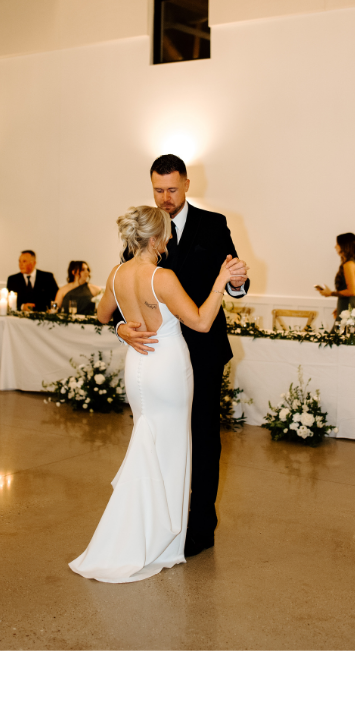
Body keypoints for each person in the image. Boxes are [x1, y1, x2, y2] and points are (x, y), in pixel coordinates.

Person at [70, 206, 243, 583]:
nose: (169, 239)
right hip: (166, 368)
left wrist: (122, 330)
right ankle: (163, 537)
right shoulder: (161, 277)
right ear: (154, 239)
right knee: (171, 448)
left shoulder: (117, 273)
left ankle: (142, 528)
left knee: (147, 441)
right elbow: (199, 321)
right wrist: (219, 284)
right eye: (165, 234)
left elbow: (102, 316)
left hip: (137, 367)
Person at [104, 154, 251, 556]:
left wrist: (235, 282)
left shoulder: (214, 224)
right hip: (158, 356)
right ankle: (158, 518)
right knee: (157, 438)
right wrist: (120, 329)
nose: (165, 198)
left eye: (171, 189)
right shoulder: (145, 229)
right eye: (157, 190)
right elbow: (119, 296)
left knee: (203, 438)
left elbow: (236, 280)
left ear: (187, 184)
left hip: (201, 352)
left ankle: (200, 526)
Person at [314, 232, 355, 319]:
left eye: (337, 244)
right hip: (348, 307)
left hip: (350, 310)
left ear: (344, 246)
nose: (335, 247)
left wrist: (330, 293)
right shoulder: (353, 263)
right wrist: (340, 306)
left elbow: (352, 291)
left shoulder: (348, 265)